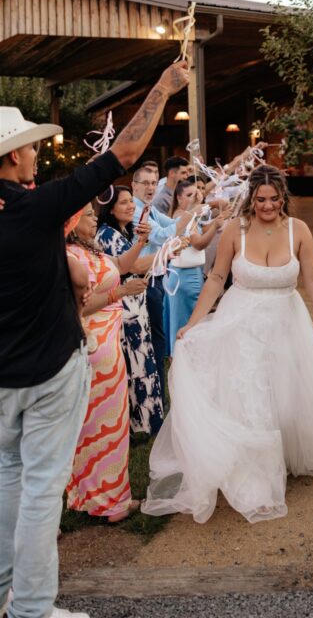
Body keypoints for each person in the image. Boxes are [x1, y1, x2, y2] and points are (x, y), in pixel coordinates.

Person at [0, 61, 190, 618]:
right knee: (39, 489)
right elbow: (123, 156)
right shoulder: (36, 208)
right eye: (31, 149)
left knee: (8, 480)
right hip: (49, 369)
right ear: (14, 156)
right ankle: (32, 607)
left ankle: (6, 593)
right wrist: (163, 87)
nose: (37, 156)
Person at [142, 164, 313, 524]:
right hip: (241, 323)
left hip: (288, 322)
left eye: (274, 199)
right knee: (251, 400)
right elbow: (217, 278)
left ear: (283, 198)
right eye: (261, 200)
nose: (268, 206)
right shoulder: (235, 231)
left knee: (286, 399)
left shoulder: (297, 230)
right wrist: (191, 324)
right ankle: (256, 481)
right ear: (251, 199)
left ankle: (284, 455)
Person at [65, 205, 150, 521]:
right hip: (96, 345)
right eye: (87, 214)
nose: (94, 217)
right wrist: (122, 291)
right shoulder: (72, 256)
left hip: (107, 340)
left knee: (95, 425)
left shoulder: (89, 249)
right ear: (73, 222)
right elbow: (80, 309)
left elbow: (119, 264)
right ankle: (110, 503)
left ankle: (89, 497)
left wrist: (141, 243)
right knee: (107, 424)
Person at [96, 187, 166, 435]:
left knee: (142, 360)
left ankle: (147, 422)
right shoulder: (107, 235)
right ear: (110, 208)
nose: (130, 206)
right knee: (135, 365)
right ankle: (139, 425)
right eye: (123, 202)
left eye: (130, 202)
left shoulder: (121, 232)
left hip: (135, 305)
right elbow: (131, 265)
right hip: (124, 306)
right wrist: (166, 252)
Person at [130, 166, 193, 402]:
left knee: (158, 336)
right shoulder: (136, 212)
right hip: (143, 279)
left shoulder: (151, 209)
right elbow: (162, 235)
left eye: (153, 183)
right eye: (145, 183)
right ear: (134, 184)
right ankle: (157, 394)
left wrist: (187, 216)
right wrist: (187, 217)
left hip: (156, 277)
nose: (150, 187)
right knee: (154, 337)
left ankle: (158, 390)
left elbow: (173, 225)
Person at [163, 180, 219, 353]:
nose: (193, 198)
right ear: (178, 198)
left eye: (195, 194)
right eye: (188, 195)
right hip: (187, 277)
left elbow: (206, 226)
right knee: (190, 325)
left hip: (179, 275)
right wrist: (217, 225)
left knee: (181, 322)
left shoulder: (186, 216)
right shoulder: (183, 217)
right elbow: (199, 243)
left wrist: (221, 216)